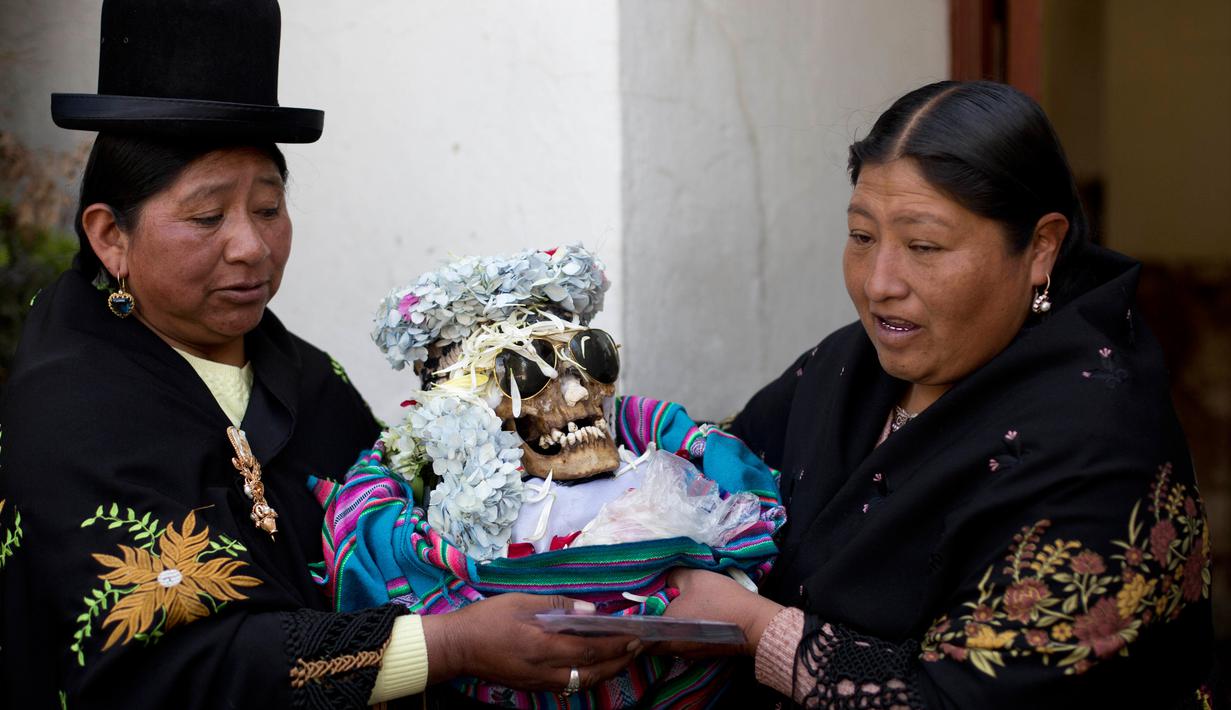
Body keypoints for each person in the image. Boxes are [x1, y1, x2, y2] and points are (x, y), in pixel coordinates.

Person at [0, 2, 635, 708]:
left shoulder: (306, 376)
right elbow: (170, 668)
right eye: (207, 216)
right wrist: (451, 644)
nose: (251, 246)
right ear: (109, 237)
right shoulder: (71, 411)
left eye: (268, 208)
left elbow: (404, 539)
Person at [658, 81, 1217, 709]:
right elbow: (710, 479)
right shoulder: (848, 367)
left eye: (924, 246)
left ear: (1040, 248)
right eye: (862, 236)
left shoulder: (1098, 447)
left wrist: (756, 628)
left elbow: (966, 700)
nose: (879, 283)